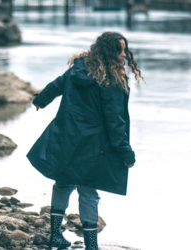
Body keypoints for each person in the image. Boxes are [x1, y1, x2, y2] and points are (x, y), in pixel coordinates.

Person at [26, 31, 144, 250]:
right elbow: (115, 122)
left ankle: (55, 236)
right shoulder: (111, 81)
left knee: (63, 181)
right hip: (92, 145)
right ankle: (91, 246)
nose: (124, 55)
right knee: (88, 191)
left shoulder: (78, 69)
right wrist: (126, 154)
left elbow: (55, 85)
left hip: (66, 137)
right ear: (110, 52)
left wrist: (40, 101)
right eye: (121, 50)